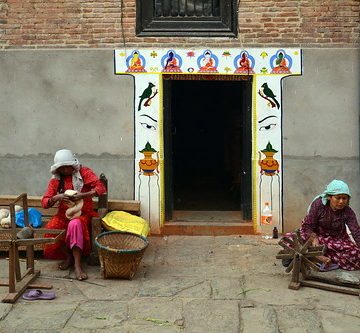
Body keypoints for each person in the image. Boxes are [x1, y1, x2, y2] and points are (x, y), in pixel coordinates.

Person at [42, 149, 106, 280]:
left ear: (73, 165)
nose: (66, 170)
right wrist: (57, 197)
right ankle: (69, 256)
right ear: (58, 169)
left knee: (75, 224)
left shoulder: (84, 173)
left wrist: (84, 195)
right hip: (63, 214)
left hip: (83, 213)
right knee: (51, 228)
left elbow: (100, 188)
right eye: (62, 168)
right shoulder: (55, 181)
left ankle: (77, 265)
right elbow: (45, 202)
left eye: (68, 167)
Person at [285, 180, 360, 271]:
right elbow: (308, 225)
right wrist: (313, 237)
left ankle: (317, 258)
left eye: (344, 198)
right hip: (315, 236)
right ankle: (318, 257)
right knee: (290, 238)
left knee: (355, 253)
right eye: (338, 198)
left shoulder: (348, 212)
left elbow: (356, 232)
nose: (341, 201)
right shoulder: (319, 205)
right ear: (329, 197)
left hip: (336, 240)